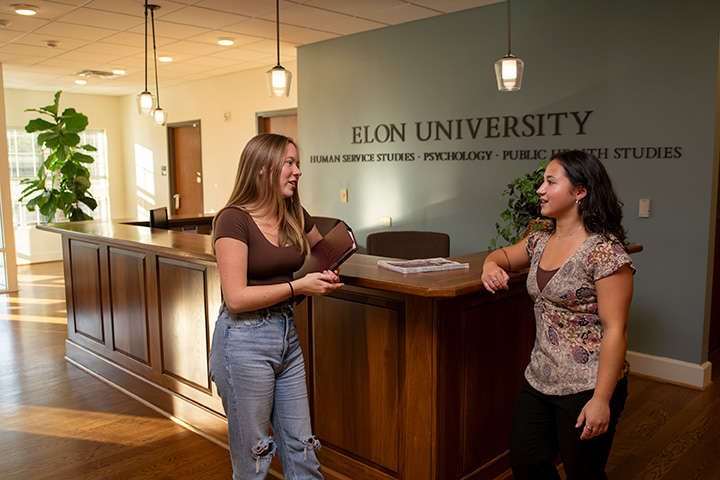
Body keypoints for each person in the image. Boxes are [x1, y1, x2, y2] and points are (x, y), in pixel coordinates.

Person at [481, 150, 634, 480]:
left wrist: (601, 399)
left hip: (588, 384)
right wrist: (490, 265)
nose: (540, 189)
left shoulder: (605, 251)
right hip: (540, 376)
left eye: (550, 182)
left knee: (584, 473)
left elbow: (615, 330)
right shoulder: (539, 239)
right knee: (525, 462)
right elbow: (503, 255)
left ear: (580, 192)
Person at [209, 133, 343, 480]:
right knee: (255, 457)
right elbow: (236, 298)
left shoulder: (294, 212)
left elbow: (324, 252)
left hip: (285, 334)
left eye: (298, 163)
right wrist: (300, 286)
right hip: (242, 341)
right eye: (290, 163)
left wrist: (331, 266)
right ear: (264, 169)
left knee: (303, 447)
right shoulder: (232, 220)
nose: (298, 171)